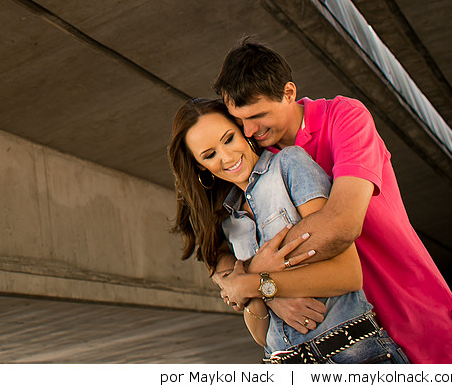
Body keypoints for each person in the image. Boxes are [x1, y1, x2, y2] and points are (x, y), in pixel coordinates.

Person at [211, 38, 452, 364]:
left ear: (288, 93)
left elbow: (342, 223)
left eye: (257, 115)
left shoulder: (344, 117)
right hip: (343, 339)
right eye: (239, 120)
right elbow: (217, 232)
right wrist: (251, 283)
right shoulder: (256, 159)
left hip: (412, 313)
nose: (247, 131)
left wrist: (254, 278)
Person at [169, 97, 408, 363]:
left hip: (352, 353)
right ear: (201, 166)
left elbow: (349, 275)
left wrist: (256, 283)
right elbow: (261, 335)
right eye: (210, 154)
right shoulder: (228, 222)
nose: (227, 157)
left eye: (228, 139)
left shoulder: (290, 164)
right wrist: (265, 293)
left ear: (243, 132)